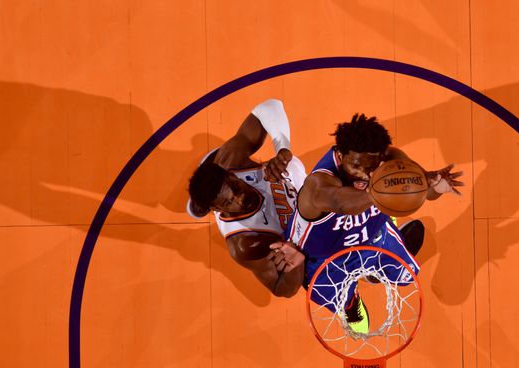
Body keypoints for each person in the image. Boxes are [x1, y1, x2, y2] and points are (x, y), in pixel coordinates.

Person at [285, 113, 463, 333]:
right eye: (357, 165)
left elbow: (425, 193)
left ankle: (376, 255)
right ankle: (351, 302)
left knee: (406, 277)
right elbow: (341, 204)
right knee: (341, 300)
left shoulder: (390, 160)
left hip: (367, 234)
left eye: (372, 166)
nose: (365, 173)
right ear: (340, 155)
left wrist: (434, 185)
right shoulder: (318, 185)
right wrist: (387, 191)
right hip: (322, 257)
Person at [187, 99, 306, 298]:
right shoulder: (244, 243)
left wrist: (282, 149)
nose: (240, 199)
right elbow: (282, 289)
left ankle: (203, 180)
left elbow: (270, 106)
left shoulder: (230, 162)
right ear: (216, 209)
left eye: (235, 187)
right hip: (309, 222)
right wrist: (297, 260)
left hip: (299, 179)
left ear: (232, 175)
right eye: (228, 203)